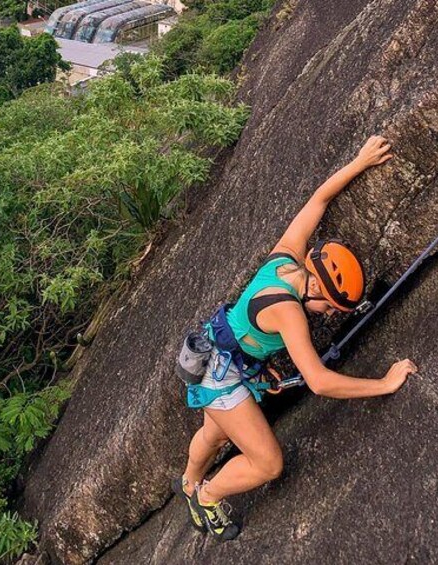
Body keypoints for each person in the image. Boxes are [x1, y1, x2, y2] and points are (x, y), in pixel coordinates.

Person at [172, 136, 418, 541]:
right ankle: (206, 495)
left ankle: (188, 481)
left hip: (221, 353)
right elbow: (319, 382)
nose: (326, 316)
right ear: (317, 291)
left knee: (215, 433)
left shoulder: (285, 257)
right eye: (330, 308)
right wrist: (385, 384)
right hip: (223, 377)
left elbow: (318, 201)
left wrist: (360, 162)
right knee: (268, 464)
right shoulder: (290, 312)